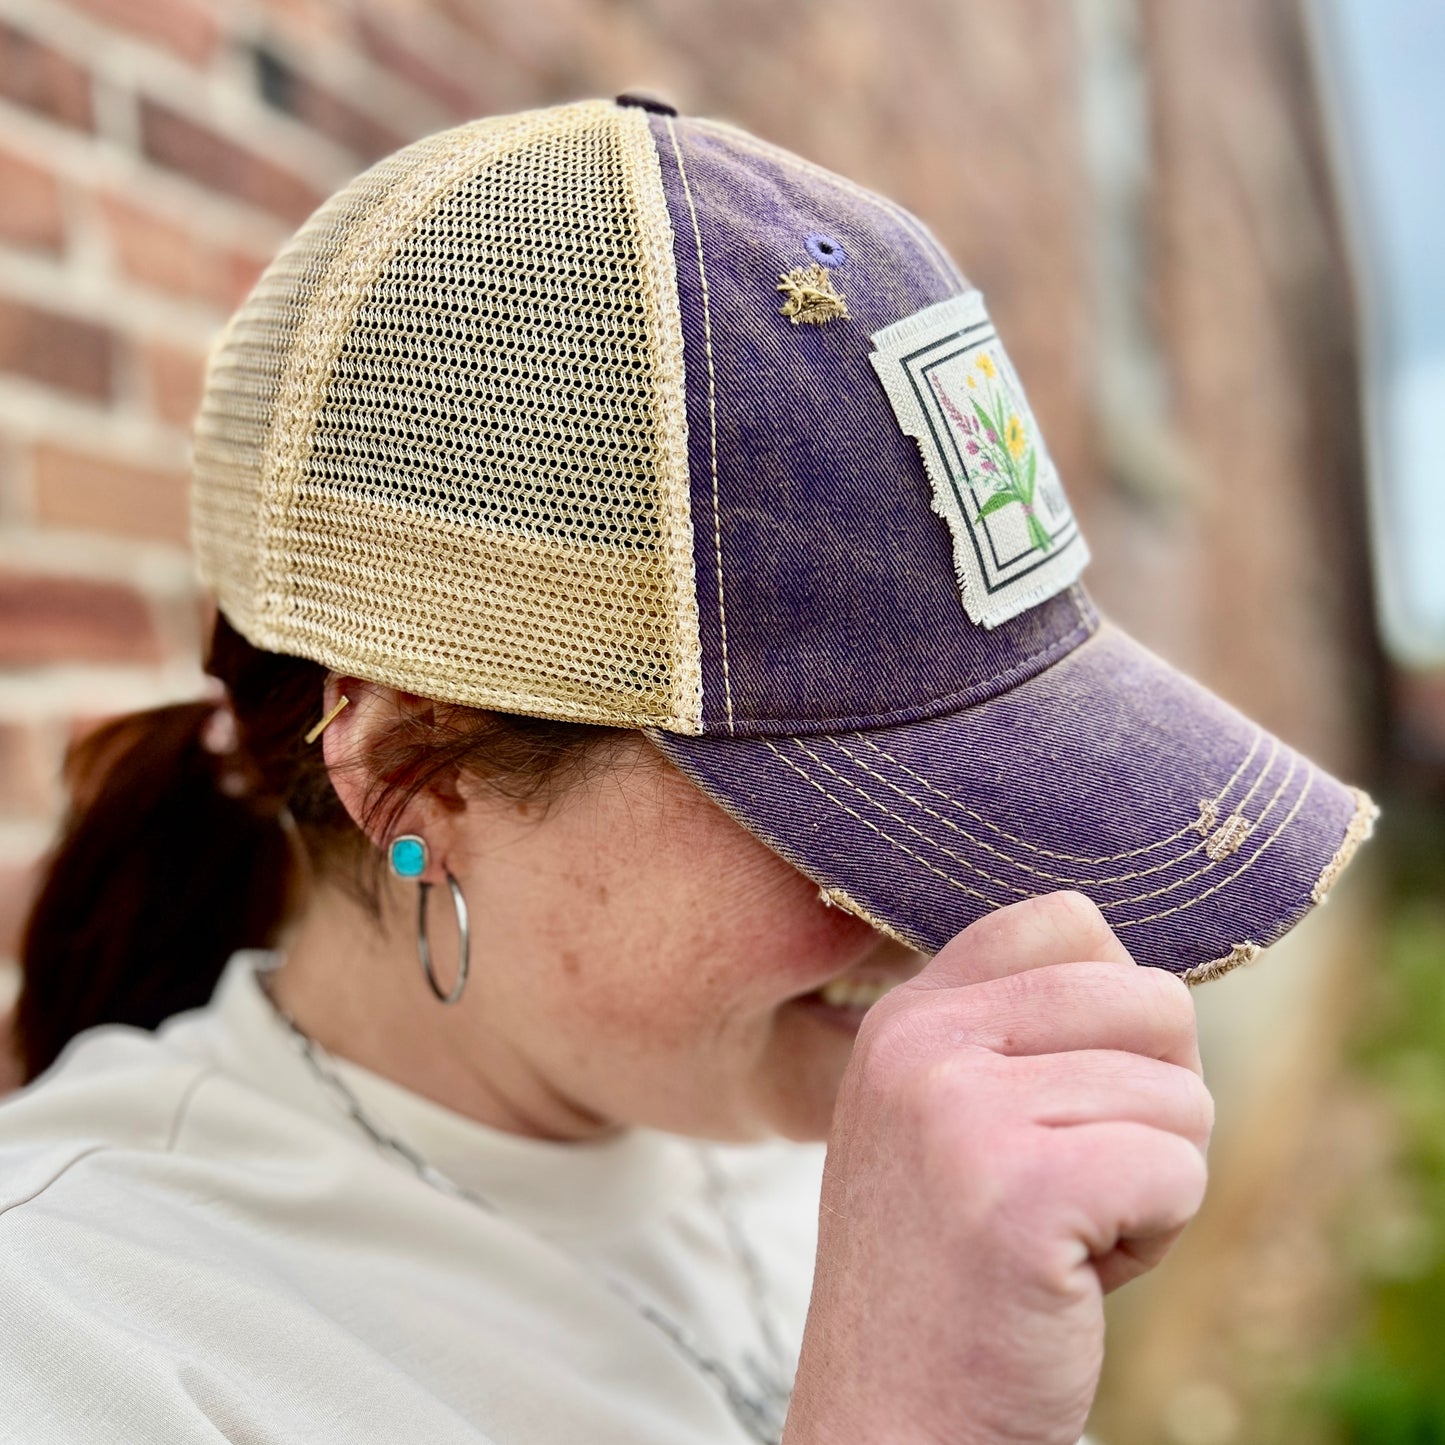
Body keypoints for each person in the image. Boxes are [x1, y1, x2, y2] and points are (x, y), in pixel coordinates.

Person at [0, 96, 1375, 1444]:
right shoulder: (77, 1344)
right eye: (838, 806)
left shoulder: (800, 1137)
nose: (959, 918)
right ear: (413, 776)